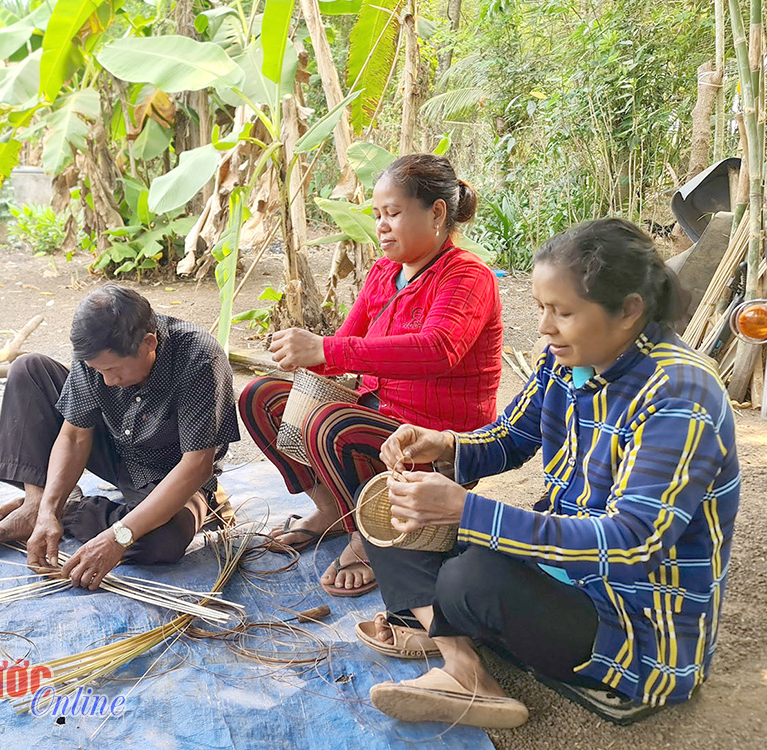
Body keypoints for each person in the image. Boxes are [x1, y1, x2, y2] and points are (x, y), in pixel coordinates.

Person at [360, 218, 739, 728]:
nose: (544, 327)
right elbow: (512, 437)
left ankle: (442, 627)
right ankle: (462, 662)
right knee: (392, 517)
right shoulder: (569, 361)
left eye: (562, 312)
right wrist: (445, 443)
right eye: (542, 308)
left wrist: (466, 511)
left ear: (629, 311)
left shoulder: (679, 394)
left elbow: (631, 543)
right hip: (559, 567)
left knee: (472, 579)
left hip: (634, 623)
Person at [239, 154, 502, 595]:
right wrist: (300, 353)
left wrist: (324, 348)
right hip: (376, 417)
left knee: (331, 423)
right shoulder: (384, 272)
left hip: (435, 440)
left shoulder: (468, 276)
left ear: (436, 213)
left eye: (394, 213)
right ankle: (334, 512)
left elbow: (439, 350)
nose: (381, 225)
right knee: (260, 396)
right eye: (377, 214)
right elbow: (342, 351)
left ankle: (369, 538)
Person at [0, 284, 241, 588]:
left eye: (113, 370)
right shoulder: (98, 351)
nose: (107, 382)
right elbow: (74, 437)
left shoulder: (198, 358)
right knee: (29, 369)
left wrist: (118, 537)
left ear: (148, 344)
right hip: (114, 443)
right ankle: (37, 507)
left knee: (163, 540)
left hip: (168, 474)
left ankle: (72, 511)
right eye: (97, 371)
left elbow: (195, 466)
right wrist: (47, 509)